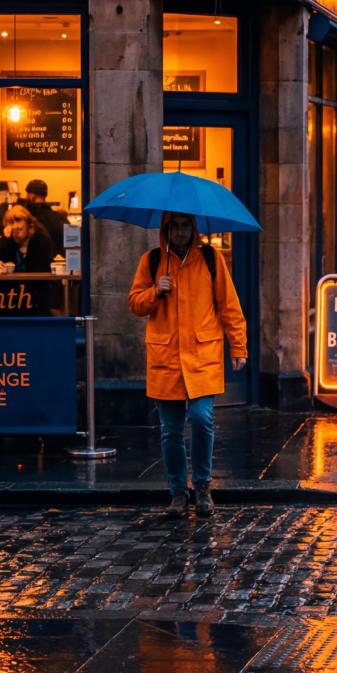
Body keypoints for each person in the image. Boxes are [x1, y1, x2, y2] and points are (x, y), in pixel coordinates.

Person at [129, 211, 248, 518]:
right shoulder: (152, 261)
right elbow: (135, 304)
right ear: (165, 229)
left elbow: (229, 306)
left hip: (202, 354)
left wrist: (238, 347)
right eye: (175, 226)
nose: (180, 232)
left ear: (194, 228)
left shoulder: (211, 258)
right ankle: (179, 492)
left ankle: (203, 487)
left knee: (201, 418)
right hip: (166, 356)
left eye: (185, 226)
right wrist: (155, 291)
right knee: (170, 429)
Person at [0, 205, 55, 274]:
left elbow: (44, 268)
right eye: (11, 222)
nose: (15, 226)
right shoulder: (6, 242)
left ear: (29, 223)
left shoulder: (41, 241)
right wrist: (7, 240)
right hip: (10, 282)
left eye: (18, 220)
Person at [22, 179, 70, 245]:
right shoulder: (59, 217)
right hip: (56, 252)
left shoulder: (25, 218)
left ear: (32, 196)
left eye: (27, 195)